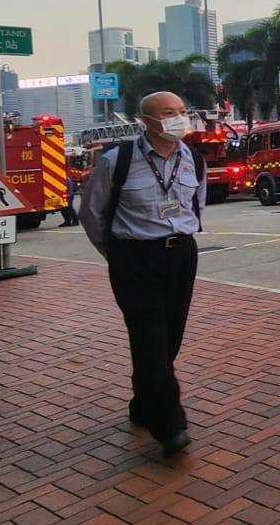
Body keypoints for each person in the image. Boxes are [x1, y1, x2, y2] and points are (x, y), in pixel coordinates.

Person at [79, 92, 205, 457]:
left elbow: (196, 207)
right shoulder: (116, 162)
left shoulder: (192, 159)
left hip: (180, 255)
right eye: (169, 113)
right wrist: (115, 253)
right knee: (150, 338)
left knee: (168, 341)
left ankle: (143, 402)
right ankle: (170, 425)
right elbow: (92, 214)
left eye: (183, 111)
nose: (179, 119)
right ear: (146, 121)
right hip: (134, 258)